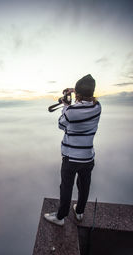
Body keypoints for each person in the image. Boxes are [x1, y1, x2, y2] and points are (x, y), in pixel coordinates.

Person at [44, 74, 101, 226]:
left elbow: (61, 125)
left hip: (71, 158)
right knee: (84, 185)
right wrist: (74, 91)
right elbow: (85, 100)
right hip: (88, 157)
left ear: (79, 94)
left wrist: (65, 105)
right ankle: (80, 211)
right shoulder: (97, 107)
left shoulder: (71, 112)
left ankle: (61, 217)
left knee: (66, 187)